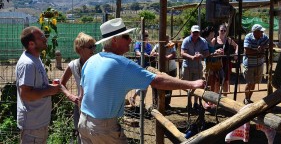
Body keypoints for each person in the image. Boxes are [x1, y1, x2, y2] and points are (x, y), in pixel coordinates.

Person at [78, 18, 206, 143]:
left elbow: (82, 95)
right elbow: (157, 81)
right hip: (103, 127)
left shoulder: (91, 60)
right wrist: (192, 84)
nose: (130, 40)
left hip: (83, 121)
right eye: (126, 37)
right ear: (114, 40)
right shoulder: (121, 63)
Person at [16, 26, 61, 143]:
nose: (45, 38)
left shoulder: (35, 58)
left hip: (37, 122)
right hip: (32, 126)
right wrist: (50, 91)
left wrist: (50, 87)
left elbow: (37, 87)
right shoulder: (28, 64)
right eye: (41, 37)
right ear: (31, 44)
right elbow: (25, 94)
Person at [60, 32, 96, 144]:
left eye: (94, 46)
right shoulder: (73, 65)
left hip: (96, 107)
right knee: (81, 135)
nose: (93, 49)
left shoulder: (97, 63)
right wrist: (70, 96)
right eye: (90, 47)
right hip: (80, 107)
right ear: (80, 49)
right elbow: (61, 84)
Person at [181, 25, 209, 109]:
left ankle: (196, 103)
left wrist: (201, 55)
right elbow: (182, 53)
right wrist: (191, 57)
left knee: (197, 85)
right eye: (194, 32)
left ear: (199, 33)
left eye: (197, 32)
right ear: (191, 32)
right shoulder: (186, 40)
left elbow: (207, 53)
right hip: (187, 66)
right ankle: (189, 103)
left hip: (198, 66)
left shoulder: (203, 41)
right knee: (188, 85)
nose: (195, 34)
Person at [243, 24, 269, 105]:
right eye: (260, 31)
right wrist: (258, 51)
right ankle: (246, 99)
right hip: (249, 64)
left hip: (259, 63)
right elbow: (247, 51)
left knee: (254, 82)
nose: (262, 32)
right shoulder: (248, 37)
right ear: (255, 32)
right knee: (249, 82)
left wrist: (263, 46)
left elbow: (271, 44)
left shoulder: (264, 37)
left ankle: (248, 98)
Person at [150, 35, 177, 109]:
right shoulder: (157, 45)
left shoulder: (171, 45)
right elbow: (152, 53)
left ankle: (166, 104)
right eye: (165, 39)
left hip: (171, 68)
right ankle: (156, 103)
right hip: (160, 69)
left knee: (169, 86)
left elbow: (174, 54)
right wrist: (160, 55)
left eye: (167, 39)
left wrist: (167, 57)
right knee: (158, 86)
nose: (167, 40)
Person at [212, 24, 238, 96]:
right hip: (217, 62)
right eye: (221, 30)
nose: (223, 32)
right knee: (216, 81)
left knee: (226, 81)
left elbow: (236, 46)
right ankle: (215, 98)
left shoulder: (228, 40)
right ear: (218, 31)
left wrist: (236, 53)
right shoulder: (214, 40)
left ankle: (224, 98)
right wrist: (216, 52)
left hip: (226, 62)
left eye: (224, 30)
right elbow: (210, 50)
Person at [201, 26, 224, 109]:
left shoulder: (210, 41)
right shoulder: (205, 41)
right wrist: (215, 52)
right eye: (213, 32)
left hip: (214, 64)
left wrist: (216, 52)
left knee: (213, 83)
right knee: (208, 83)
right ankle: (206, 102)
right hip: (208, 64)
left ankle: (211, 101)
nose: (214, 33)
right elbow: (206, 53)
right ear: (210, 33)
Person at [130, 30, 153, 106]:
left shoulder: (149, 45)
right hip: (139, 66)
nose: (146, 37)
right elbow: (137, 52)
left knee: (145, 85)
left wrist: (153, 54)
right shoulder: (138, 44)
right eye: (144, 35)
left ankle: (140, 101)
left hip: (147, 67)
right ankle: (135, 98)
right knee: (143, 84)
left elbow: (151, 53)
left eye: (146, 35)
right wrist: (142, 54)